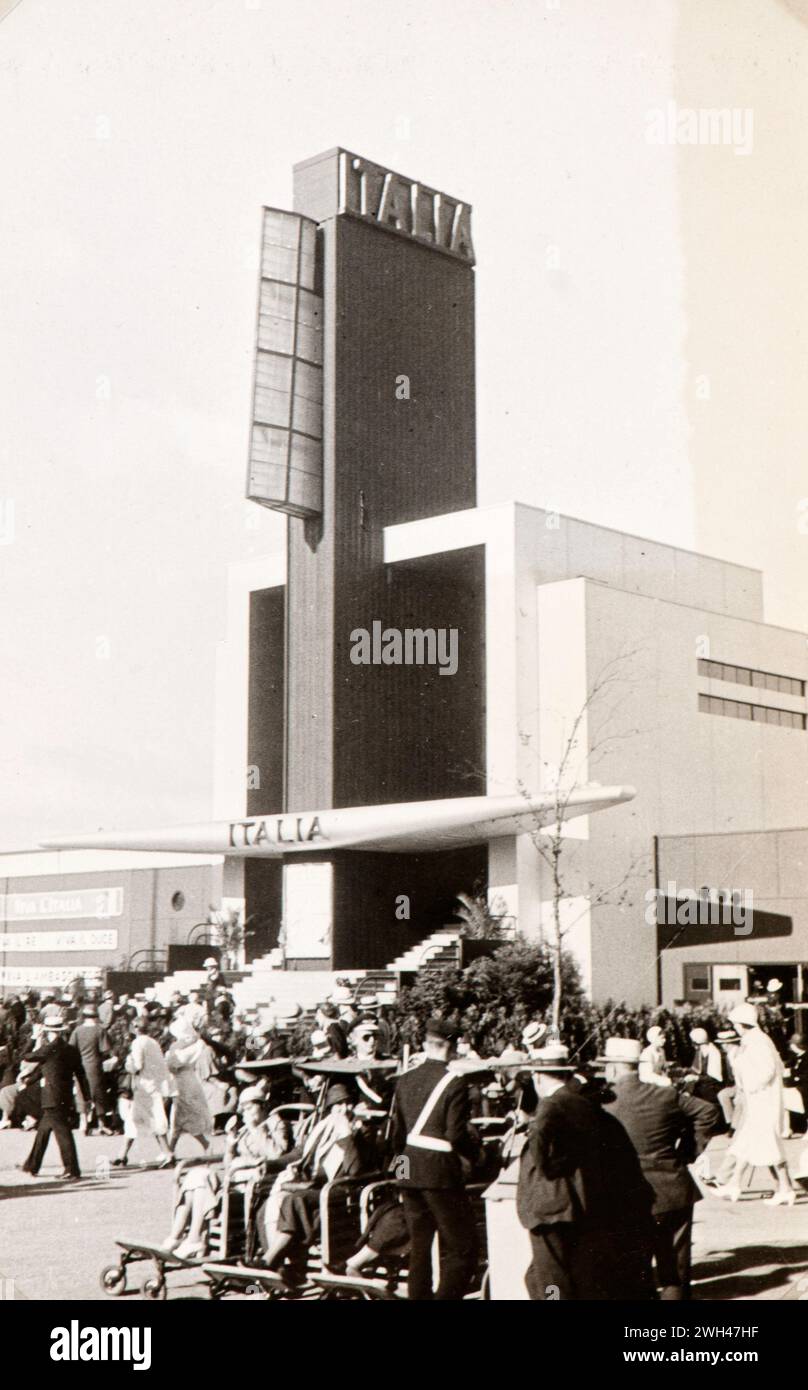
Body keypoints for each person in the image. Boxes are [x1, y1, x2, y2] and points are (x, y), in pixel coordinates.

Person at [516, 1040, 654, 1301]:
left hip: (549, 1204)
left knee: (550, 1278)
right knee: (559, 1273)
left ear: (537, 1076)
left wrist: (552, 1165)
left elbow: (542, 1152)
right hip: (575, 1201)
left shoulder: (549, 1105)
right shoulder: (579, 1103)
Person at [600, 1037, 719, 1300]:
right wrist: (689, 1149)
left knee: (635, 1266)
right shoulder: (664, 1095)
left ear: (614, 1068)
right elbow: (708, 1112)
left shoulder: (602, 1104)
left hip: (627, 1193)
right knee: (674, 1267)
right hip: (673, 1187)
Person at [390, 1017, 479, 1300]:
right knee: (462, 1248)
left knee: (420, 1244)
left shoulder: (405, 1079)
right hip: (439, 1171)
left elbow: (396, 1133)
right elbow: (455, 1135)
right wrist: (476, 1154)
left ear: (426, 1045)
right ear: (450, 1047)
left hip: (408, 1167)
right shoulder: (455, 1083)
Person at [714, 1002, 796, 1205]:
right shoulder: (753, 1041)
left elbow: (766, 1071)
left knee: (766, 1145)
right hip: (758, 1100)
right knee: (749, 1143)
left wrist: (749, 1086)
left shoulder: (758, 1042)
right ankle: (735, 1184)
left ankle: (783, 1188)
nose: (734, 1027)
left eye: (735, 1023)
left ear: (742, 1023)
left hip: (764, 1100)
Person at [18, 1012, 89, 1180]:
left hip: (51, 1097)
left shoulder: (49, 1049)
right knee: (43, 1130)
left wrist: (34, 1038)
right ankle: (32, 1165)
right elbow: (79, 1073)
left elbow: (24, 1056)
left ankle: (72, 1169)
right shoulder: (70, 1050)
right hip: (64, 1095)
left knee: (62, 1133)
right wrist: (87, 1097)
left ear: (47, 1031)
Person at [114, 1017, 172, 1167]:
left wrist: (128, 1063)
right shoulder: (153, 1042)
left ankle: (168, 1154)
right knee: (138, 1119)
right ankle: (122, 1154)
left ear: (135, 1028)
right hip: (154, 1085)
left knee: (144, 1119)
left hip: (144, 1087)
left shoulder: (138, 1043)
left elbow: (137, 1066)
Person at [165, 1019, 213, 1156]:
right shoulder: (185, 1044)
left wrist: (168, 1057)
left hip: (185, 1082)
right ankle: (170, 1150)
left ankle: (169, 1151)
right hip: (182, 1080)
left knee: (181, 1116)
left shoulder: (195, 1045)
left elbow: (174, 1063)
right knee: (179, 1117)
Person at [69, 1003, 111, 1134]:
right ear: (96, 1016)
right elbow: (105, 1050)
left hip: (80, 1066)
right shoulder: (100, 1030)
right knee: (97, 1094)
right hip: (95, 1066)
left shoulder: (77, 1030)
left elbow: (71, 1049)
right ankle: (101, 1123)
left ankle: (83, 1123)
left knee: (81, 1093)